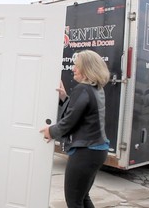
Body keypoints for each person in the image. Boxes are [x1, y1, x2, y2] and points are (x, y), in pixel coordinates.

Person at [40, 49, 110, 208]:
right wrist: (64, 97)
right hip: (97, 150)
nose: (73, 69)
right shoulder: (96, 89)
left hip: (86, 151)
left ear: (87, 69)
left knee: (74, 201)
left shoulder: (83, 89)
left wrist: (50, 131)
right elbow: (80, 110)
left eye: (77, 66)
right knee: (83, 198)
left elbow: (70, 121)